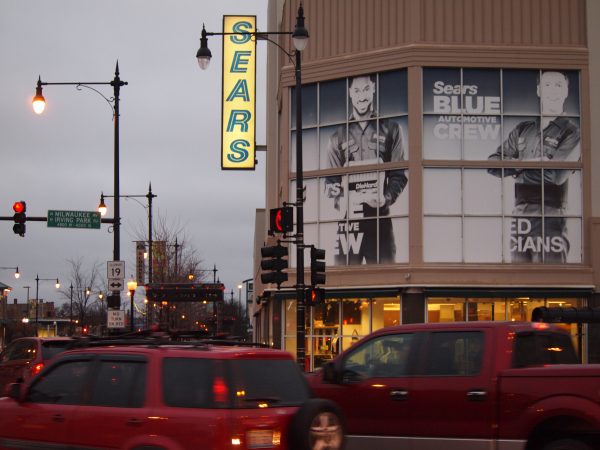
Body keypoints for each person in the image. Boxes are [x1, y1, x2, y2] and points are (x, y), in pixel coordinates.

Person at [488, 70, 580, 263]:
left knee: (553, 278)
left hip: (551, 212)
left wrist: (516, 167)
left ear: (566, 91)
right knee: (518, 277)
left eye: (558, 85)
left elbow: (556, 176)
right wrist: (534, 164)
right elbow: (492, 164)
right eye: (547, 85)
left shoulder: (573, 132)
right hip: (520, 214)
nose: (552, 91)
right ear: (539, 90)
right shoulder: (523, 129)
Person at [325, 74, 407, 264]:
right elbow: (330, 182)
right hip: (349, 222)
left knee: (387, 279)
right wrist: (340, 200)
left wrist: (385, 198)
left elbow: (398, 175)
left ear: (374, 89)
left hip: (380, 220)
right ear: (350, 93)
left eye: (366, 89)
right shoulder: (336, 136)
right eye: (357, 90)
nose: (362, 96)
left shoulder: (392, 129)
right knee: (341, 284)